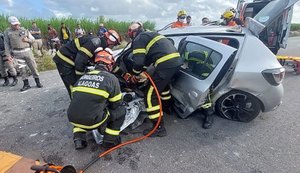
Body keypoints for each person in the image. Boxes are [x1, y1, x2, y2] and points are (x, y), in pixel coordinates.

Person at [126, 22, 183, 137]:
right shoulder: (151, 34)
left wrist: (135, 75)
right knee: (164, 87)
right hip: (176, 62)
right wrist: (145, 71)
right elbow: (148, 60)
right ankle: (167, 109)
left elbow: (139, 62)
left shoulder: (138, 39)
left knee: (150, 94)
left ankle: (159, 128)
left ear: (133, 32)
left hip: (165, 64)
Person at [67, 48, 126, 150]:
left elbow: (75, 99)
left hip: (72, 118)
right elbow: (116, 104)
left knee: (82, 108)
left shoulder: (83, 77)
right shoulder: (111, 79)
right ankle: (109, 141)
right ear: (110, 64)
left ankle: (79, 139)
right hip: (93, 121)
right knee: (121, 111)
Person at [52, 29, 121, 98]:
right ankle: (77, 104)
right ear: (109, 41)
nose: (112, 47)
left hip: (71, 59)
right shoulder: (94, 43)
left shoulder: (98, 43)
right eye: (113, 45)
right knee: (73, 85)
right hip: (64, 60)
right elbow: (80, 61)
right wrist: (80, 79)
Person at [3, 16, 43, 91]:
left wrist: (27, 40)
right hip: (17, 53)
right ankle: (26, 84)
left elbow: (33, 40)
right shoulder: (7, 32)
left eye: (17, 24)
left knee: (33, 67)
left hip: (27, 51)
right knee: (22, 69)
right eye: (14, 24)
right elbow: (6, 44)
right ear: (10, 24)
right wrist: (8, 55)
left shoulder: (24, 30)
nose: (16, 25)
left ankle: (38, 82)